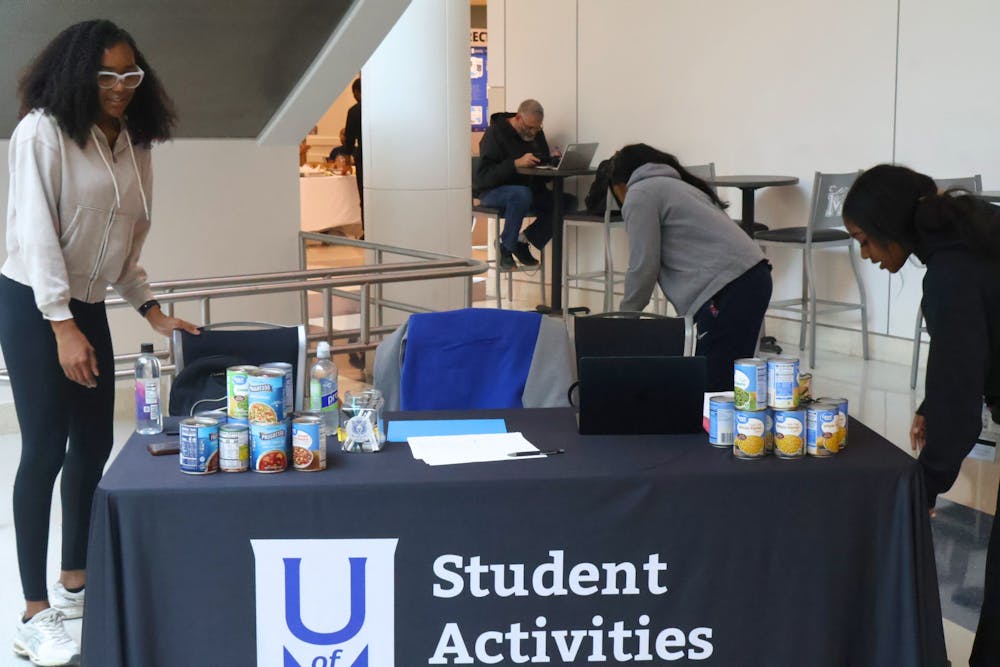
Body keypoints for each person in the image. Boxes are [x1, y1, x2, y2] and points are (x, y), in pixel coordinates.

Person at [0, 19, 200, 665]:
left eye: (130, 75)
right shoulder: (43, 132)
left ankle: (76, 578)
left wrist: (151, 308)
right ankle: (33, 612)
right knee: (46, 447)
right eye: (107, 75)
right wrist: (61, 324)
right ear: (81, 73)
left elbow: (122, 243)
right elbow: (36, 235)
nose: (119, 87)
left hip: (85, 303)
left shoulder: (134, 143)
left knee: (92, 442)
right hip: (32, 300)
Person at [842, 164, 1000, 666]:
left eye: (865, 240)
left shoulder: (952, 274)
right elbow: (970, 346)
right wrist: (931, 404)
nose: (865, 255)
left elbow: (960, 400)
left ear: (891, 228)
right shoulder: (975, 241)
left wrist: (924, 485)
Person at [610, 143, 772, 391]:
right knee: (732, 380)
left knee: (712, 388)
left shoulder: (639, 193)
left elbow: (643, 264)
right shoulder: (681, 186)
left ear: (620, 183)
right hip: (753, 276)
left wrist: (624, 319)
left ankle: (713, 430)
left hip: (726, 288)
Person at [473, 99, 575, 271]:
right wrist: (515, 164)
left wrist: (552, 162)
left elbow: (540, 169)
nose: (533, 133)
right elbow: (484, 177)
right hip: (493, 192)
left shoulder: (535, 133)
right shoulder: (495, 134)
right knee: (521, 194)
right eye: (529, 128)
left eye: (538, 128)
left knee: (567, 202)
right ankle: (506, 247)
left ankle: (523, 240)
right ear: (518, 118)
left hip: (529, 190)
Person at [342, 78, 363, 228]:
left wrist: (348, 161)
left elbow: (349, 139)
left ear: (357, 92)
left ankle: (367, 230)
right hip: (384, 158)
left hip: (362, 157)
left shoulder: (354, 111)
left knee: (364, 195)